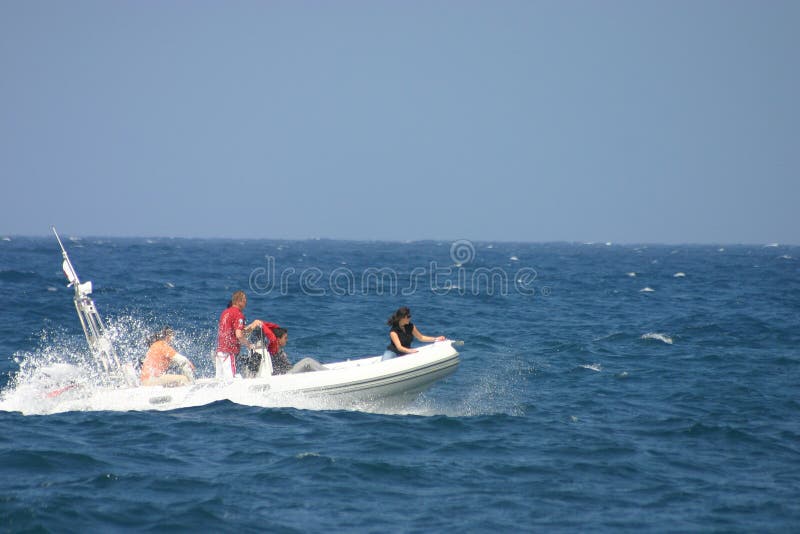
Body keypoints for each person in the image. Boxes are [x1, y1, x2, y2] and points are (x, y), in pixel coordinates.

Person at [215, 291, 262, 380]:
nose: (246, 303)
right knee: (231, 380)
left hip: (220, 352)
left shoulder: (225, 312)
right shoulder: (239, 314)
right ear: (239, 301)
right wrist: (249, 345)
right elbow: (239, 335)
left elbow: (235, 331)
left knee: (220, 380)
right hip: (229, 353)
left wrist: (252, 325)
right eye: (244, 300)